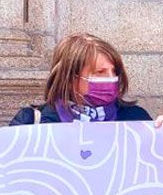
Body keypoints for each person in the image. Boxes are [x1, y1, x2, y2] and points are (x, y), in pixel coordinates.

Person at [8, 33, 155, 126]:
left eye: (114, 71)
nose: (111, 79)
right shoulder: (30, 123)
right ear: (71, 77)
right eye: (100, 72)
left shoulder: (136, 119)